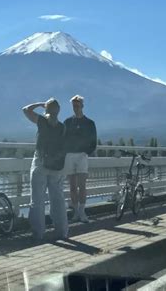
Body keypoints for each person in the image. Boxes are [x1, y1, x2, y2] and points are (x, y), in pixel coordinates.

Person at [22, 98, 68, 240]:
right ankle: (62, 232)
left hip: (41, 163)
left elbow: (25, 110)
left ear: (46, 109)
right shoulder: (62, 127)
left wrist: (39, 104)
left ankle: (38, 233)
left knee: (37, 199)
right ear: (58, 110)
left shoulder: (42, 121)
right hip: (57, 165)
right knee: (58, 199)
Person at [64, 95, 97, 223]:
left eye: (77, 105)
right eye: (74, 106)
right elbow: (63, 139)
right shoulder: (67, 122)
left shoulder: (89, 123)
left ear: (82, 106)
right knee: (72, 186)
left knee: (82, 186)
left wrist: (86, 152)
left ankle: (82, 212)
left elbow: (93, 141)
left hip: (82, 155)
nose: (75, 108)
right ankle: (76, 212)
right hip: (69, 155)